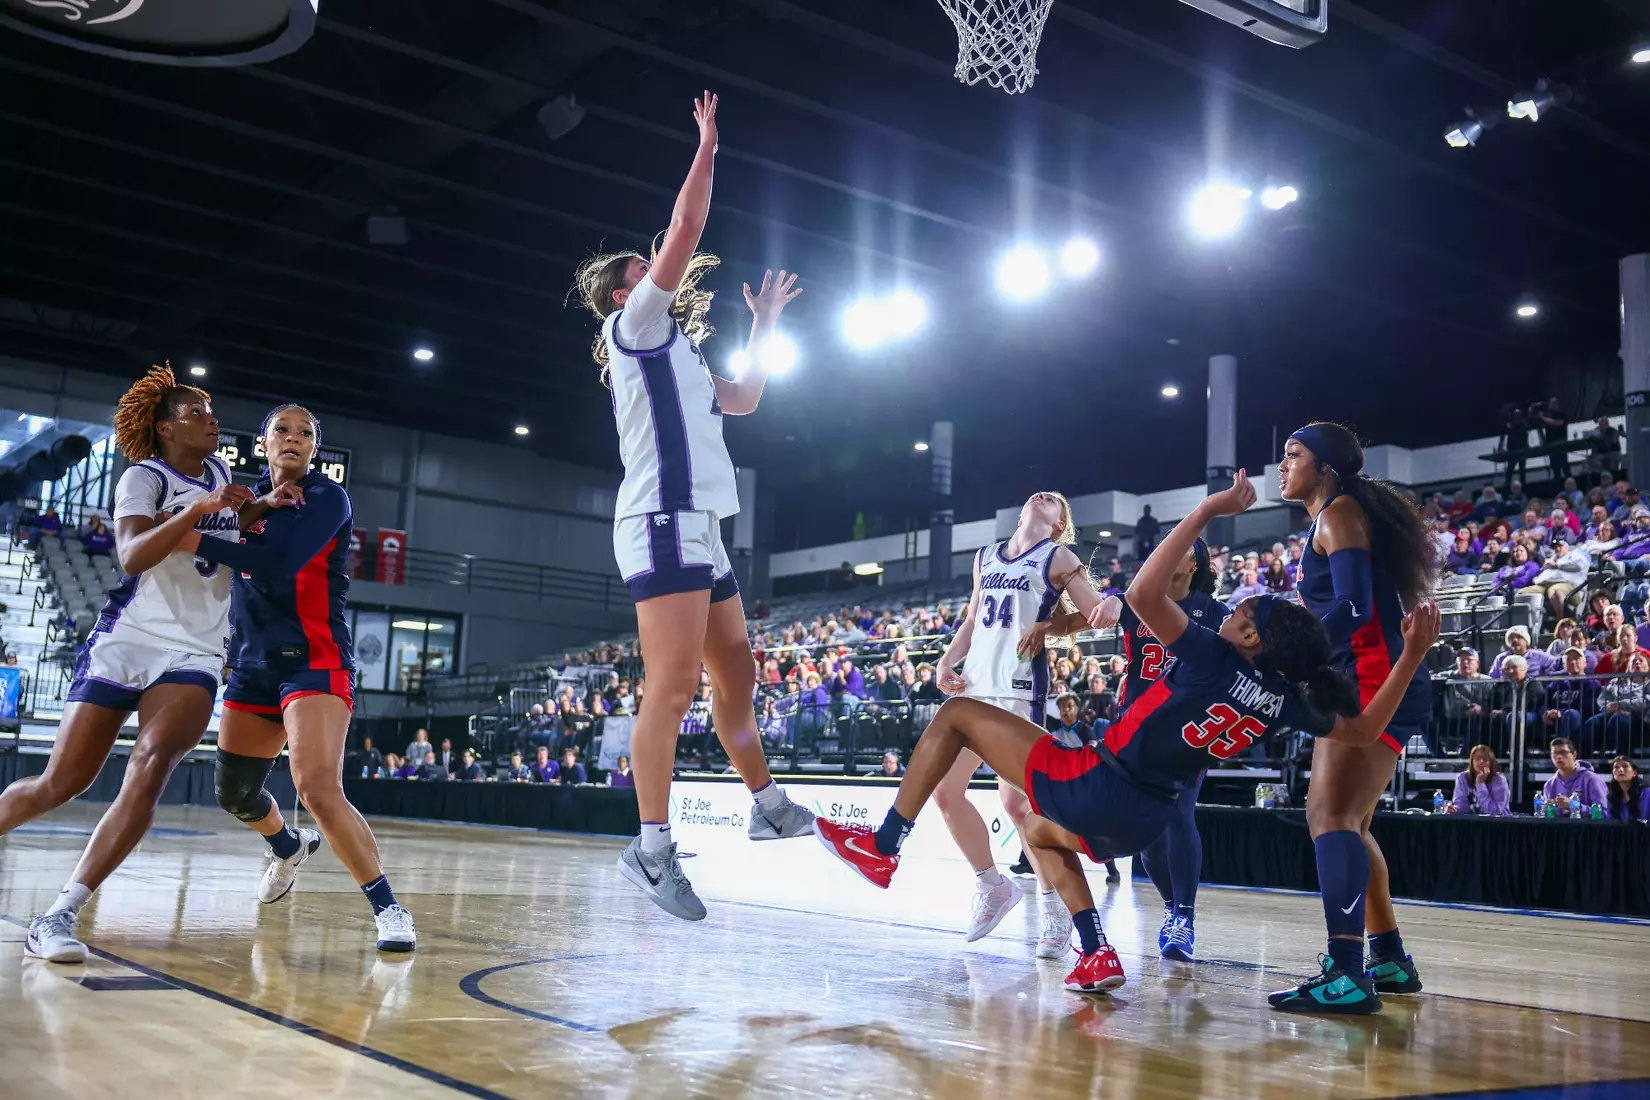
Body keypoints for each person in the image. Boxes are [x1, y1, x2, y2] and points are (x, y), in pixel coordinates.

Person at [816, 473, 1438, 997]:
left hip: (1099, 781)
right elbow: (1363, 729)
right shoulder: (1283, 698)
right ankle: (1095, 952)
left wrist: (1206, 510)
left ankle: (885, 844)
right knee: (1036, 831)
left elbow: (1141, 592)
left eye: (1244, 612)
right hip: (1148, 817)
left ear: (1249, 638)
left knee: (954, 720)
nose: (1235, 610)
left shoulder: (1209, 655)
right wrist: (1411, 655)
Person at [572, 90, 813, 921]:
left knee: (736, 673)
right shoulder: (633, 327)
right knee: (670, 687)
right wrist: (707, 146)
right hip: (659, 517)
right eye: (640, 269)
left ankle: (767, 804)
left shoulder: (678, 352)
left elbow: (745, 399)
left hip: (700, 527)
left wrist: (768, 321)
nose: (655, 267)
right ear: (621, 295)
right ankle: (649, 848)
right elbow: (683, 232)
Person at [0, 365, 279, 964]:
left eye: (211, 409)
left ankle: (60, 913)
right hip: (127, 637)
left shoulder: (220, 473)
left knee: (151, 766)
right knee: (59, 784)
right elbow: (131, 555)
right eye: (198, 411)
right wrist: (198, 510)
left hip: (196, 649)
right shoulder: (142, 477)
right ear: (166, 427)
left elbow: (216, 534)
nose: (212, 418)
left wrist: (258, 508)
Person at [180, 404, 415, 952]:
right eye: (281, 431)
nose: (293, 439)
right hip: (252, 663)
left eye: (304, 433)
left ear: (314, 449)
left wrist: (188, 541)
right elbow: (186, 525)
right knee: (234, 793)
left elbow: (279, 561)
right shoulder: (242, 499)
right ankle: (286, 846)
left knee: (315, 787)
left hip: (315, 659)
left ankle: (389, 909)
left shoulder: (328, 498)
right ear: (263, 443)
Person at [1277, 422, 1438, 1010]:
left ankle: (1346, 973)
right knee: (1351, 821)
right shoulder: (1336, 514)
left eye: (1293, 456)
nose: (1282, 466)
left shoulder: (1339, 514)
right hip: (1375, 673)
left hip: (1368, 675)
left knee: (1331, 817)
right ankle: (1389, 959)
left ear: (1324, 467)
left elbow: (1352, 606)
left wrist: (1292, 651)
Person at [1029, 537, 1228, 964]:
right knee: (1148, 838)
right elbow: (1075, 624)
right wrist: (1044, 627)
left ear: (1196, 563)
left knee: (1179, 813)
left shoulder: (1214, 613)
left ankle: (1183, 917)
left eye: (1185, 546)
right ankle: (1174, 906)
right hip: (1133, 732)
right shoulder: (1134, 600)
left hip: (1188, 730)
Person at [930, 492, 1105, 957]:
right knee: (945, 791)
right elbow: (972, 617)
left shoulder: (1058, 556)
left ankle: (1052, 905)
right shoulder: (985, 556)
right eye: (1039, 495)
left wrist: (1047, 628)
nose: (1044, 495)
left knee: (1017, 805)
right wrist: (946, 662)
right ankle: (993, 885)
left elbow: (1095, 614)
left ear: (1058, 524)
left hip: (1018, 690)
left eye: (1056, 502)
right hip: (973, 688)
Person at [1542, 738, 1608, 817]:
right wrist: (1545, 810)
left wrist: (1574, 806)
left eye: (1563, 753)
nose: (1559, 757)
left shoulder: (1592, 779)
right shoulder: (1549, 785)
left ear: (1574, 755)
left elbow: (1604, 813)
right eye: (1554, 753)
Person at [1442, 745, 1510, 816]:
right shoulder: (1462, 778)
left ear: (1490, 763)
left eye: (1485, 759)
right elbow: (1461, 804)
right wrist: (1454, 809)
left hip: (1498, 823)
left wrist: (1480, 784)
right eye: (1477, 758)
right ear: (1472, 761)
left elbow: (1495, 811)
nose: (1481, 761)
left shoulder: (1499, 780)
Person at [1604, 757, 1648, 822]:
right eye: (1616, 767)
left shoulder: (1647, 793)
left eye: (1625, 766)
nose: (1621, 770)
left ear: (1634, 773)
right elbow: (1610, 821)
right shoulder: (1611, 796)